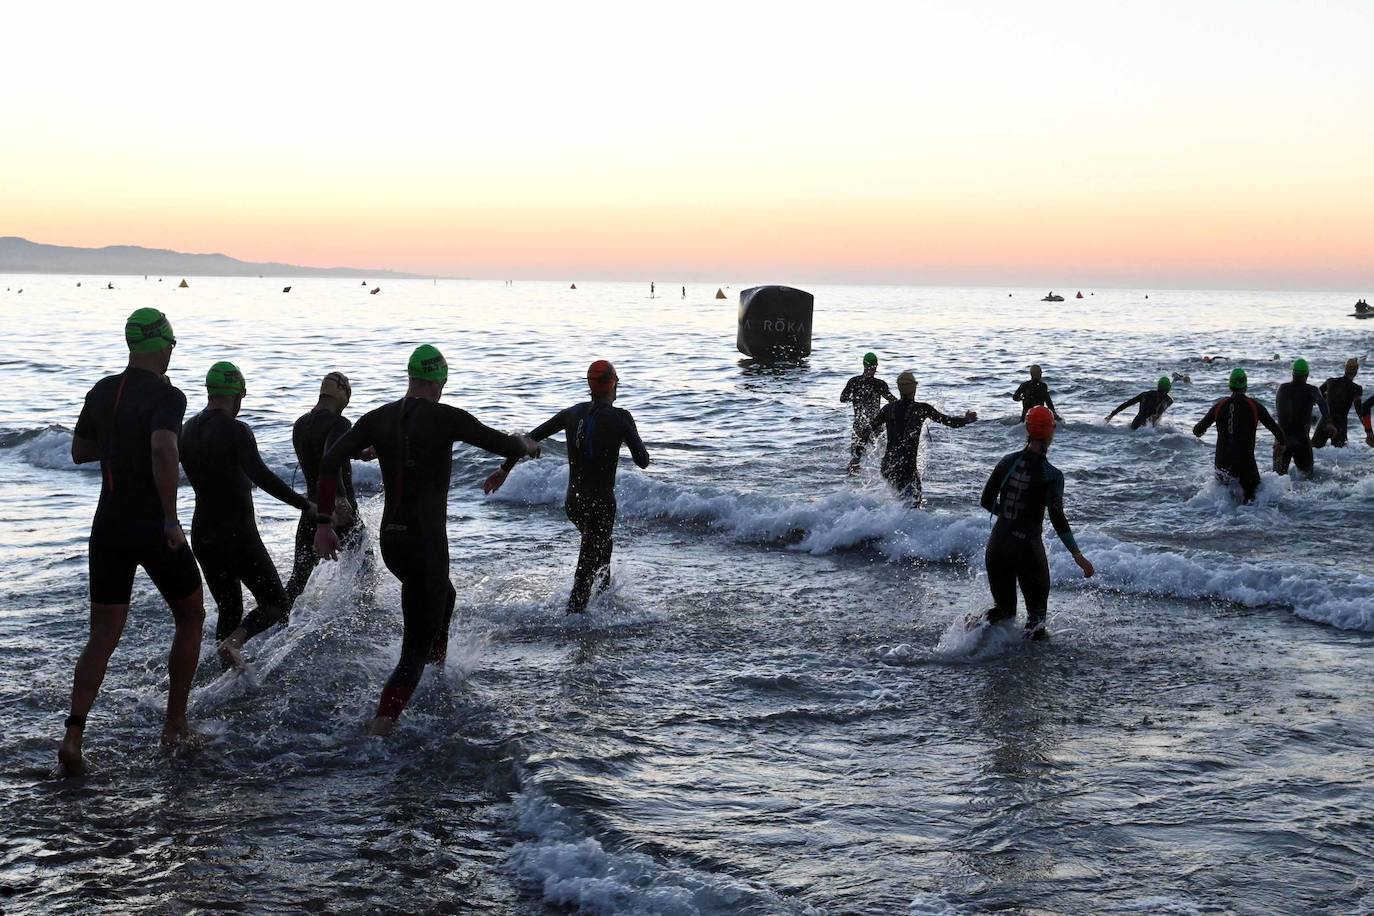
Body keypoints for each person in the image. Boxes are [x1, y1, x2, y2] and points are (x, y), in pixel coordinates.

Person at [312, 345, 538, 735]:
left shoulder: (378, 418)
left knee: (443, 599)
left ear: (411, 378)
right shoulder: (446, 418)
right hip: (425, 543)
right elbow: (504, 444)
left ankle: (435, 675)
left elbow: (331, 458)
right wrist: (525, 443)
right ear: (440, 381)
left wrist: (323, 523)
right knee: (412, 648)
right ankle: (379, 727)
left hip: (393, 543)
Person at [60, 308, 205, 775]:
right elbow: (164, 447)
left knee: (102, 635)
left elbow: (80, 451)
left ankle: (73, 737)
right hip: (150, 523)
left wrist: (120, 440)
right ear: (162, 345)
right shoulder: (168, 395)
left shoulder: (102, 390)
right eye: (170, 346)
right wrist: (170, 518)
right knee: (192, 614)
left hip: (108, 527)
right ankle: (175, 723)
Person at [483, 360, 650, 614]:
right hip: (601, 506)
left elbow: (529, 438)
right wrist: (628, 432)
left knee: (601, 547)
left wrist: (505, 469)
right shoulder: (621, 417)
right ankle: (574, 622)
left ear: (590, 386)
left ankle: (603, 601)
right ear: (613, 384)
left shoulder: (572, 413)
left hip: (573, 503)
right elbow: (643, 461)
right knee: (586, 569)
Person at [179, 362, 313, 668]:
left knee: (229, 608)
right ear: (237, 393)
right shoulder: (236, 429)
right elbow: (261, 475)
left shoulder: (187, 430)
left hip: (202, 533)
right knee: (276, 602)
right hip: (236, 533)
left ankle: (224, 676)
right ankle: (235, 644)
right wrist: (304, 504)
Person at [979, 406, 1094, 640]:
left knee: (1004, 612)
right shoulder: (1052, 474)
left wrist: (1007, 515)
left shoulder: (1006, 461)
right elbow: (1057, 517)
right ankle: (1032, 673)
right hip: (1027, 550)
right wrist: (1078, 555)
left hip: (997, 545)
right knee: (1036, 622)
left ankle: (968, 637)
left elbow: (985, 501)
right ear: (1050, 432)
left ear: (1027, 430)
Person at [285, 371, 373, 609]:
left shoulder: (301, 424)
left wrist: (359, 453)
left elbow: (321, 450)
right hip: (337, 511)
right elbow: (329, 459)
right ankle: (362, 618)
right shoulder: (340, 423)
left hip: (311, 511)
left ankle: (278, 621)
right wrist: (341, 497)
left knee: (297, 580)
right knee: (365, 569)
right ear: (343, 396)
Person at [859, 371, 976, 505]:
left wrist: (856, 457)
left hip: (888, 466)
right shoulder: (921, 409)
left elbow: (867, 430)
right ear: (914, 387)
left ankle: (886, 523)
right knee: (913, 504)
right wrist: (967, 419)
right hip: (906, 468)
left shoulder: (887, 409)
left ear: (899, 388)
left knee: (899, 503)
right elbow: (949, 421)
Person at [1192, 367, 1285, 503]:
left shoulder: (1219, 406)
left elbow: (1197, 431)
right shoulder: (1254, 406)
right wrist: (1281, 444)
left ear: (1230, 386)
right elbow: (1277, 431)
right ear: (1245, 386)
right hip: (1245, 465)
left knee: (1223, 504)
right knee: (1251, 504)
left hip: (1222, 464)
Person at [1274, 358, 1334, 476]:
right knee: (1307, 479)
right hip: (1301, 441)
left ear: (1293, 374)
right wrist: (1328, 421)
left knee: (1277, 480)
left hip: (1282, 441)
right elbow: (1322, 403)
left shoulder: (1281, 388)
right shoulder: (1311, 390)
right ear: (1307, 375)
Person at [839, 352, 896, 472]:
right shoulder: (879, 384)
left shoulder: (854, 382)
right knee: (881, 455)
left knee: (855, 456)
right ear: (875, 366)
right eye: (872, 368)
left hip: (861, 424)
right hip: (875, 425)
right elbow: (893, 401)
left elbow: (843, 398)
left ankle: (853, 481)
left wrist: (854, 398)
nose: (872, 370)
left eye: (872, 368)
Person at [1312, 358, 1373, 449]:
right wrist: (1368, 430)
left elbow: (1317, 396)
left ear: (1345, 369)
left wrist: (1327, 398)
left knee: (1314, 448)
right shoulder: (1356, 388)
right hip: (1340, 424)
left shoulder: (1330, 381)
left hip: (1325, 421)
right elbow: (1359, 410)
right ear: (1356, 372)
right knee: (1339, 454)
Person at [1105, 377, 1174, 429]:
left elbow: (1127, 404)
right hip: (1148, 427)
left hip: (1135, 423)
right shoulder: (1168, 400)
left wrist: (1111, 415)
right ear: (1168, 388)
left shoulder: (1145, 394)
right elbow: (1158, 413)